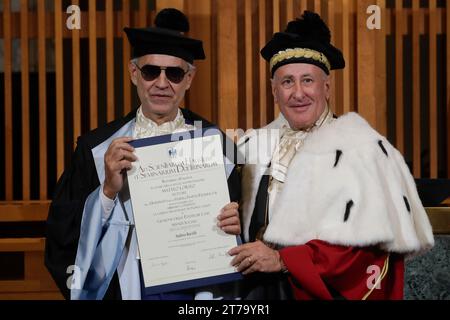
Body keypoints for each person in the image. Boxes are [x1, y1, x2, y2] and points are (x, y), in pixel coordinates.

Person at [229, 11, 434, 300]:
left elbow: (365, 250)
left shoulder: (362, 150)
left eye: (308, 80)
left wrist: (284, 260)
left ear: (327, 87)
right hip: (257, 294)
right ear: (274, 92)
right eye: (287, 82)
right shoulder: (251, 149)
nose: (298, 93)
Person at [45, 8, 241, 300]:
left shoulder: (217, 147)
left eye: (174, 73)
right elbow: (63, 237)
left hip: (193, 291)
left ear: (189, 78)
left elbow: (244, 234)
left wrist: (234, 227)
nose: (162, 83)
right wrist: (108, 191)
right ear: (134, 73)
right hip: (122, 288)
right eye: (151, 71)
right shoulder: (97, 149)